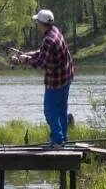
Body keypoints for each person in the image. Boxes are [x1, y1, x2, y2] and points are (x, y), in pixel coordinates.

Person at [11, 9, 74, 148]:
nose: (36, 24)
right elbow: (44, 53)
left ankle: (57, 141)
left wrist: (24, 60)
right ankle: (63, 139)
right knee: (61, 110)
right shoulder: (55, 32)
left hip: (56, 81)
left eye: (37, 22)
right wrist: (28, 54)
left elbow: (41, 62)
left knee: (50, 110)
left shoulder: (48, 40)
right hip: (66, 78)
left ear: (41, 23)